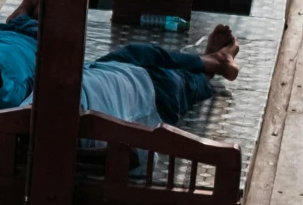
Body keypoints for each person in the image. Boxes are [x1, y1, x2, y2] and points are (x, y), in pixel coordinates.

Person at [73, 27, 239, 131]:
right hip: (142, 90)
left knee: (140, 51)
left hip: (98, 71)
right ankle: (211, 68)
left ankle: (211, 60)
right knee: (177, 81)